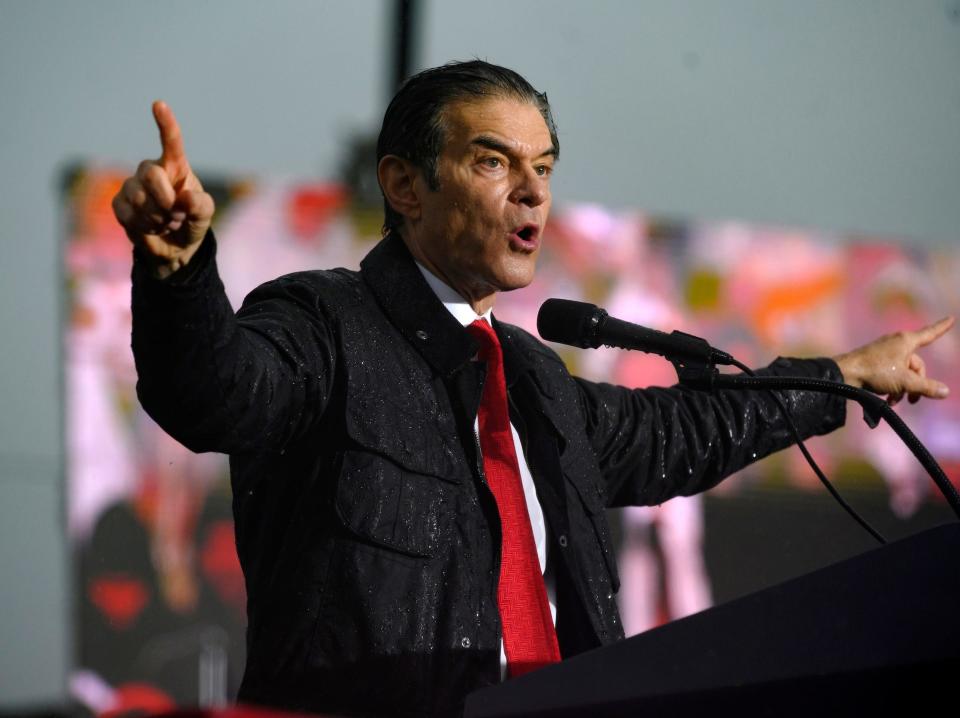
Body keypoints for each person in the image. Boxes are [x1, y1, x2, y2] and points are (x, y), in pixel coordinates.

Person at [112, 61, 953, 717]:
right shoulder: (322, 321)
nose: (534, 192)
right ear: (405, 185)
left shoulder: (537, 379)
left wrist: (844, 378)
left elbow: (678, 433)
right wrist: (177, 267)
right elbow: (211, 393)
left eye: (544, 167)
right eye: (494, 161)